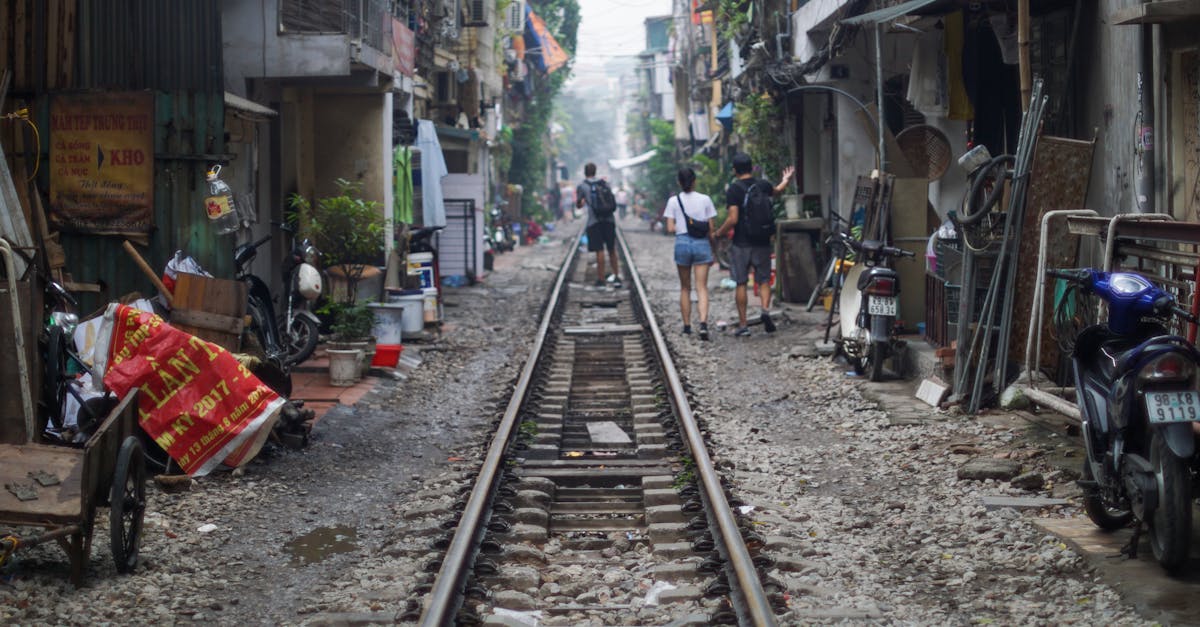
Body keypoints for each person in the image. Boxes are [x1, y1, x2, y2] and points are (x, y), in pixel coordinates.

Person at [713, 153, 794, 336]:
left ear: (735, 170)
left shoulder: (734, 189)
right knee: (763, 280)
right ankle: (765, 310)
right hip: (762, 241)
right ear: (751, 167)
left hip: (741, 243)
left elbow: (733, 219)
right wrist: (786, 180)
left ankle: (743, 325)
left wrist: (718, 233)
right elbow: (777, 191)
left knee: (741, 282)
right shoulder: (762, 185)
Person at [663, 167, 717, 340]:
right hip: (701, 243)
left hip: (682, 243)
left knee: (685, 287)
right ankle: (703, 324)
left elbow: (670, 228)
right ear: (694, 181)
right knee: (702, 287)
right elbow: (711, 228)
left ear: (679, 182)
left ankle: (687, 327)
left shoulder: (673, 201)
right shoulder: (705, 199)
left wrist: (682, 227)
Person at [576, 162, 621, 288]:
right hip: (609, 220)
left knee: (599, 250)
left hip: (594, 221)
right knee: (611, 249)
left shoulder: (583, 186)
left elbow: (579, 205)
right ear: (595, 171)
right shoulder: (604, 183)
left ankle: (601, 279)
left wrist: (582, 201)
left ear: (585, 172)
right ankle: (616, 276)